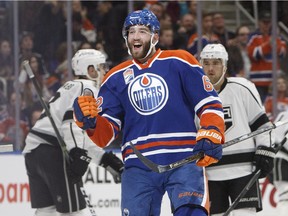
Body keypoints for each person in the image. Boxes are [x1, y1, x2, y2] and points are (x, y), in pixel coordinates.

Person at [73, 9, 225, 216]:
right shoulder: (114, 78)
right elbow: (105, 135)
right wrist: (89, 122)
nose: (135, 36)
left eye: (142, 31)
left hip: (184, 158)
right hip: (139, 165)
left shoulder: (180, 61)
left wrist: (212, 131)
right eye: (130, 31)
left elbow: (209, 103)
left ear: (155, 36)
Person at [23, 49, 124, 216]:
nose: (105, 71)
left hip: (33, 152)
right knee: (73, 211)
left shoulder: (69, 87)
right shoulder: (88, 87)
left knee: (45, 210)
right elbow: (71, 123)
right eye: (102, 66)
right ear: (90, 70)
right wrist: (77, 153)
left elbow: (79, 132)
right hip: (54, 152)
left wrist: (104, 159)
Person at [199, 43, 275, 216]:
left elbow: (262, 125)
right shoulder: (194, 96)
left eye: (216, 62)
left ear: (225, 65)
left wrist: (265, 150)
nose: (211, 68)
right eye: (206, 63)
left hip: (243, 170)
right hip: (210, 174)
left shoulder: (242, 88)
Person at [247, 10, 287, 102]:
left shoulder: (277, 37)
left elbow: (282, 53)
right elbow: (253, 55)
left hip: (274, 81)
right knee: (260, 107)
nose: (266, 25)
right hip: (258, 81)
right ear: (259, 22)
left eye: (268, 22)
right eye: (264, 22)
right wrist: (268, 45)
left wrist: (275, 40)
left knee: (273, 108)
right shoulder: (253, 37)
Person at [271, 111, 288, 216]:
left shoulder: (283, 113)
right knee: (285, 195)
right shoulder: (285, 114)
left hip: (279, 157)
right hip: (280, 159)